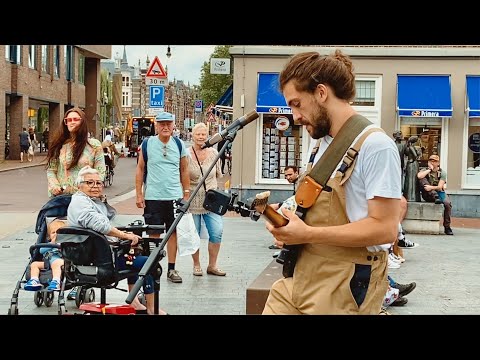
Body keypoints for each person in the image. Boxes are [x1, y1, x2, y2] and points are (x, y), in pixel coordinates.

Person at [262, 50, 402, 315]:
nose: (294, 116)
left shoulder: (376, 145)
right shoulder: (320, 143)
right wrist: (287, 219)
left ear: (321, 93)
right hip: (302, 275)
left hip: (345, 283)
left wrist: (308, 234)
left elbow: (385, 229)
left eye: (296, 104)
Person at [68, 166, 166, 315]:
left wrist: (122, 233)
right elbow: (100, 225)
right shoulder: (81, 203)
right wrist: (125, 236)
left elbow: (103, 227)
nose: (95, 186)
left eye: (98, 183)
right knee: (150, 263)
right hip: (102, 260)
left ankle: (135, 303)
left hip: (94, 255)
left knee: (133, 257)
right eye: (89, 182)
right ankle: (152, 309)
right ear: (79, 185)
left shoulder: (86, 201)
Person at [45, 106, 106, 300]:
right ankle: (52, 271)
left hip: (84, 200)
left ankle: (77, 278)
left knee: (81, 239)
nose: (71, 122)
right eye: (68, 120)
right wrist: (54, 185)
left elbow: (101, 172)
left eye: (75, 119)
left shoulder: (93, 145)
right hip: (62, 198)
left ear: (83, 122)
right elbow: (51, 169)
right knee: (57, 236)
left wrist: (91, 186)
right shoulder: (60, 144)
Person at [135, 111, 190, 284]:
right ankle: (153, 266)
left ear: (173, 126)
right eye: (162, 124)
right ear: (156, 126)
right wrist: (138, 193)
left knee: (172, 232)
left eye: (168, 124)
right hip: (153, 196)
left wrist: (186, 193)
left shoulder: (179, 144)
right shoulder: (147, 143)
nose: (165, 127)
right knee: (153, 233)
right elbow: (140, 169)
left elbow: (184, 170)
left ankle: (172, 269)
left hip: (174, 196)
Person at [186, 122, 226, 277]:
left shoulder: (213, 154)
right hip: (193, 201)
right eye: (198, 134)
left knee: (217, 231)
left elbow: (218, 175)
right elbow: (182, 176)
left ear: (207, 135)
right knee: (193, 234)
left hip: (211, 201)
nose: (201, 137)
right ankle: (196, 265)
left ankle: (212, 265)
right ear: (192, 136)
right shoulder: (187, 154)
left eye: (203, 134)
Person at [24, 218, 67, 292]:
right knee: (34, 264)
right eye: (53, 232)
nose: (56, 235)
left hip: (61, 261)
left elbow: (68, 253)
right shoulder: (49, 244)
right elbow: (41, 250)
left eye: (59, 233)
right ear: (49, 236)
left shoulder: (65, 244)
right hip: (47, 262)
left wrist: (60, 246)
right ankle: (34, 280)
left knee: (55, 264)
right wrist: (52, 244)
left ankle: (56, 281)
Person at [417, 154, 453, 235]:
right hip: (427, 194)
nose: (433, 163)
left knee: (447, 204)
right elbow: (419, 176)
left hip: (439, 193)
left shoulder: (442, 173)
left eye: (435, 161)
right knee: (422, 179)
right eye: (431, 161)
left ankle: (447, 227)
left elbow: (440, 187)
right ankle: (435, 196)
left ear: (438, 163)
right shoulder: (425, 170)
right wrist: (429, 169)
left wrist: (431, 187)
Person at [269, 165, 300, 251]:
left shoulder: (300, 183)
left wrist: (279, 205)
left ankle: (281, 242)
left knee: (278, 218)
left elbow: (296, 199)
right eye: (286, 175)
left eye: (290, 174)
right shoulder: (296, 182)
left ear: (297, 173)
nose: (288, 177)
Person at [403, 135, 421, 202]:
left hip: (412, 165)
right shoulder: (410, 147)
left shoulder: (410, 147)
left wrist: (412, 160)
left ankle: (411, 196)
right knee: (411, 180)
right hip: (412, 164)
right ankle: (412, 196)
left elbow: (415, 156)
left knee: (411, 180)